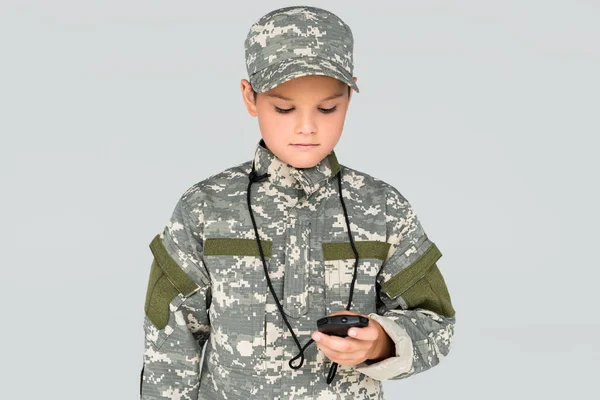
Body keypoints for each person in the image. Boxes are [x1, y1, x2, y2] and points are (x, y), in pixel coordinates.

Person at [140, 5, 456, 400]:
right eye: (284, 107)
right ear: (249, 97)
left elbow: (436, 324)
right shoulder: (205, 208)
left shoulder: (384, 209)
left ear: (349, 97)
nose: (307, 126)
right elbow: (170, 341)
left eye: (328, 108)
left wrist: (380, 343)